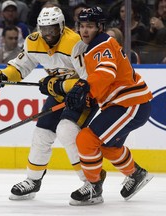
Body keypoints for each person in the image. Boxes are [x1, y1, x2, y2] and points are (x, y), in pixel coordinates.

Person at [0, 6, 105, 201]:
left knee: (66, 131)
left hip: (82, 96)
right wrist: (1, 76)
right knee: (42, 133)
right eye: (44, 29)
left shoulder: (75, 43)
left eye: (52, 29)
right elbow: (21, 67)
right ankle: (33, 180)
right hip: (59, 93)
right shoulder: (33, 41)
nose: (48, 34)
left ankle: (92, 183)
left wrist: (60, 85)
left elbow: (87, 79)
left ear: (62, 26)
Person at [65, 6, 154, 206]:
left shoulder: (101, 45)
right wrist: (89, 94)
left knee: (87, 140)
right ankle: (136, 174)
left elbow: (106, 72)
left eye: (90, 26)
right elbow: (104, 81)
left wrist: (86, 85)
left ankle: (94, 187)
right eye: (82, 26)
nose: (85, 30)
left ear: (100, 27)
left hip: (130, 103)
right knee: (107, 145)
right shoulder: (94, 46)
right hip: (126, 103)